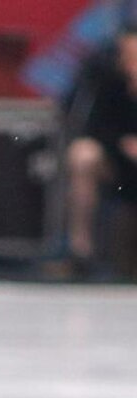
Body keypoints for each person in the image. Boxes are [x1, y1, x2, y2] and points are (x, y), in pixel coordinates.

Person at [64, 24, 137, 275]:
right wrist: (121, 143)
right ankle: (80, 250)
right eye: (127, 54)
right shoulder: (103, 77)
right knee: (83, 154)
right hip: (115, 160)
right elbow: (89, 126)